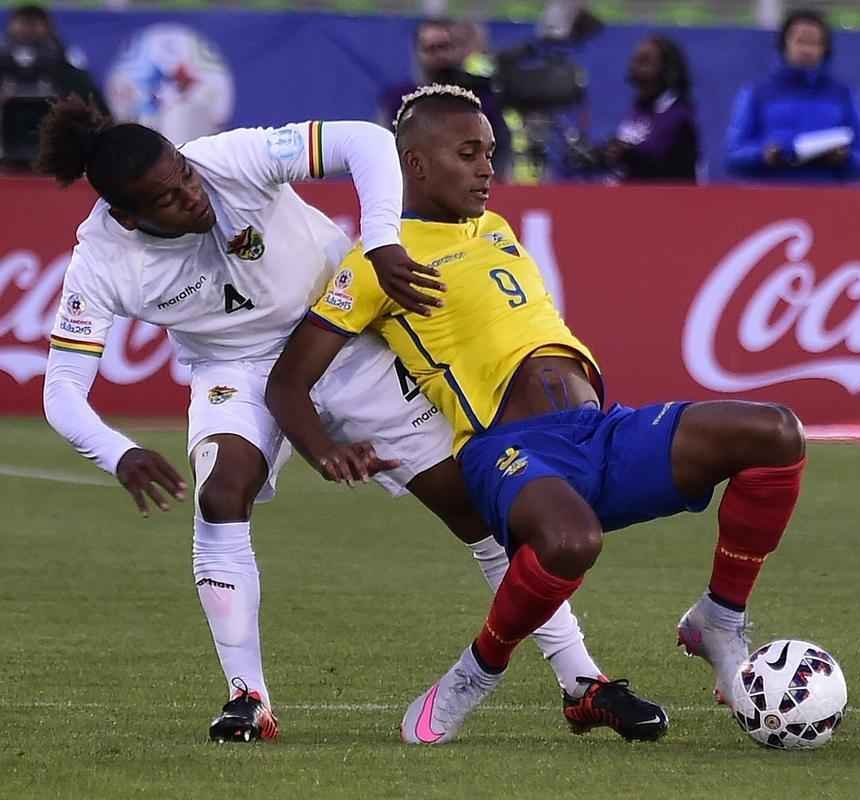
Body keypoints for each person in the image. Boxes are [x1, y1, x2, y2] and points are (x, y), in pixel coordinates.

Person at [35, 95, 615, 744]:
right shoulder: (100, 262)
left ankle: (581, 681)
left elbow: (365, 142)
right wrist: (118, 453)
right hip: (236, 369)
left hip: (342, 336)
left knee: (473, 506)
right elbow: (61, 390)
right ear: (127, 214)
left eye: (186, 176)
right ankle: (246, 698)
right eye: (166, 198)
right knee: (221, 492)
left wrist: (384, 240)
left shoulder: (227, 160)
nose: (193, 197)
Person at [266, 84, 807, 745]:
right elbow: (289, 381)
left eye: (490, 153)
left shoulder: (494, 228)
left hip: (598, 430)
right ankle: (474, 674)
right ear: (415, 164)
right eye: (468, 154)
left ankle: (717, 621)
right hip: (508, 449)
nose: (486, 168)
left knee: (775, 432)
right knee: (571, 541)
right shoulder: (381, 262)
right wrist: (323, 449)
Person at [724, 8, 860, 182]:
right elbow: (733, 156)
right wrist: (762, 154)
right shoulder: (757, 93)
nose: (806, 50)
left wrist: (844, 157)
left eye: (814, 42)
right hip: (771, 197)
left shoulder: (843, 95)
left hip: (826, 197)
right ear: (784, 45)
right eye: (800, 41)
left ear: (825, 49)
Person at [377, 17, 512, 180]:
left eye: (444, 47)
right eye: (431, 49)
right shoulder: (398, 99)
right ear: (418, 53)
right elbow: (383, 150)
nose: (439, 56)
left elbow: (502, 147)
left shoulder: (483, 96)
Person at [0, 4, 107, 167]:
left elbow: (98, 114)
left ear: (48, 30)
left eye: (33, 24)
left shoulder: (68, 72)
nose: (27, 31)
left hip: (58, 157)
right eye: (23, 24)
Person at [595, 35, 698, 183]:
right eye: (634, 61)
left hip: (665, 199)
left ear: (667, 70)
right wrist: (599, 153)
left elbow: (654, 155)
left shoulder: (678, 114)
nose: (634, 67)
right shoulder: (639, 109)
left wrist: (621, 151)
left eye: (644, 61)